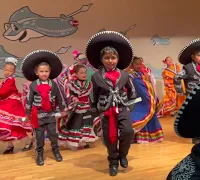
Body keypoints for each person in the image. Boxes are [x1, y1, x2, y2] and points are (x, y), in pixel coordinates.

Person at [87, 31, 137, 176]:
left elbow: (132, 92)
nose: (110, 61)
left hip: (122, 108)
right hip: (106, 109)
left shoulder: (125, 74)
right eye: (107, 58)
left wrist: (130, 107)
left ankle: (123, 155)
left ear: (118, 59)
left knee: (128, 132)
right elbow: (92, 94)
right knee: (109, 137)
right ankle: (113, 161)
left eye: (113, 58)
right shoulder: (96, 76)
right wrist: (95, 109)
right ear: (101, 60)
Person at [22, 50, 66, 166]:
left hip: (50, 114)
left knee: (53, 135)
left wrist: (62, 110)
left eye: (46, 71)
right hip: (38, 115)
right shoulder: (33, 85)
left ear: (50, 72)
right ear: (36, 72)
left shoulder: (53, 84)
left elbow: (59, 98)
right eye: (41, 71)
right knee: (39, 136)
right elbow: (29, 101)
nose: (44, 74)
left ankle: (56, 151)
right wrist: (27, 114)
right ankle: (39, 154)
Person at [0, 57, 32, 153]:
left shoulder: (11, 80)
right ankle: (10, 146)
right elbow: (0, 90)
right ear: (3, 69)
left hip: (13, 105)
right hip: (7, 103)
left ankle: (29, 142)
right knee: (7, 125)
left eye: (10, 71)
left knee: (18, 124)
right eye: (5, 70)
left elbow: (2, 91)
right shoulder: (4, 80)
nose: (7, 72)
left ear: (14, 71)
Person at [174, 38, 200, 144]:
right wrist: (180, 91)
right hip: (192, 96)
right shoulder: (188, 68)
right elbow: (177, 78)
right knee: (195, 116)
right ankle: (196, 137)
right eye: (199, 55)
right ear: (193, 56)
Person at [58, 64, 98, 149]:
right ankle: (74, 142)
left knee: (87, 123)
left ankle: (86, 141)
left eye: (85, 73)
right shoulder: (72, 84)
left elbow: (91, 96)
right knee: (76, 124)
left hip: (87, 107)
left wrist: (93, 105)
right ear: (76, 74)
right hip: (77, 108)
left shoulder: (89, 84)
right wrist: (74, 98)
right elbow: (71, 95)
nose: (84, 74)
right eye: (81, 73)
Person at [128, 56, 164, 143]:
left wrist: (153, 97)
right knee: (137, 116)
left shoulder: (144, 75)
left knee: (150, 115)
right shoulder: (130, 75)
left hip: (147, 100)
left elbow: (149, 87)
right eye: (136, 64)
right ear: (132, 65)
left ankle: (149, 136)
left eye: (140, 64)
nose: (139, 66)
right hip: (137, 101)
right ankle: (135, 137)